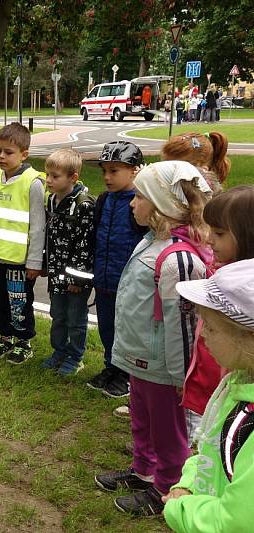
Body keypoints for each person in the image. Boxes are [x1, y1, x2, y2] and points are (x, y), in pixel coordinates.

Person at [95, 161, 213, 517]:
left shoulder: (177, 258)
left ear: (162, 205)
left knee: (167, 430)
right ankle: (143, 468)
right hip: (141, 357)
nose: (133, 202)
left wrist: (182, 378)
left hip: (163, 366)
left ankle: (165, 488)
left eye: (141, 197)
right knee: (142, 418)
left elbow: (182, 325)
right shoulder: (152, 240)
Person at [162, 258, 254, 531]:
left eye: (211, 328)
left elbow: (236, 522)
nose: (203, 337)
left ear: (248, 337)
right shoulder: (239, 382)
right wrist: (189, 484)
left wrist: (179, 508)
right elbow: (210, 450)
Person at [181, 186, 254, 440]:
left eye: (219, 233)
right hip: (214, 385)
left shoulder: (243, 296)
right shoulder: (218, 276)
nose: (209, 239)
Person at [0, 122, 45, 364]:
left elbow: (38, 226)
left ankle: (24, 340)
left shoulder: (33, 183)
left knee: (20, 303)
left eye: (8, 152)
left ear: (24, 154)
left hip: (19, 261)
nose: (2, 156)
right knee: (0, 301)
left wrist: (34, 261)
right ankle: (5, 336)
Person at [85, 141, 148, 398]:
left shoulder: (141, 203)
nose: (107, 177)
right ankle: (111, 367)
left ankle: (127, 375)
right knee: (107, 327)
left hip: (130, 284)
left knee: (129, 331)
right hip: (104, 279)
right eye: (104, 171)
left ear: (134, 170)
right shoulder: (103, 200)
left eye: (114, 171)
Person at [40, 148, 95, 376]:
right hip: (57, 273)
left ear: (73, 177)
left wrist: (77, 279)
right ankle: (59, 351)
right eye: (48, 175)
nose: (49, 180)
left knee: (75, 317)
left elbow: (86, 245)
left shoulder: (83, 205)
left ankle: (75, 356)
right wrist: (46, 264)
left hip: (75, 278)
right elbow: (50, 236)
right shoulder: (52, 201)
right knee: (58, 314)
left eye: (55, 176)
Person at [160, 131, 231, 195]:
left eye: (174, 168)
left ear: (201, 170)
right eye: (163, 166)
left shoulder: (205, 195)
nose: (165, 171)